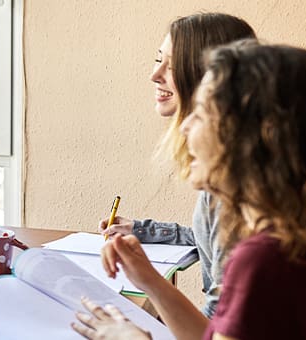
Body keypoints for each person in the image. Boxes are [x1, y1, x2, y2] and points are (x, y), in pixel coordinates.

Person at [75, 41, 306, 339]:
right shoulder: (297, 240)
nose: (185, 127)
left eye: (201, 113)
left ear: (250, 138)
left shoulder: (264, 260)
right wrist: (150, 281)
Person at [98, 13, 255, 316]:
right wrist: (144, 230)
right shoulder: (231, 169)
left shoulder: (232, 183)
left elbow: (222, 321)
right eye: (158, 60)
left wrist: (136, 331)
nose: (155, 75)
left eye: (171, 66)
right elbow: (214, 242)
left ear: (210, 78)